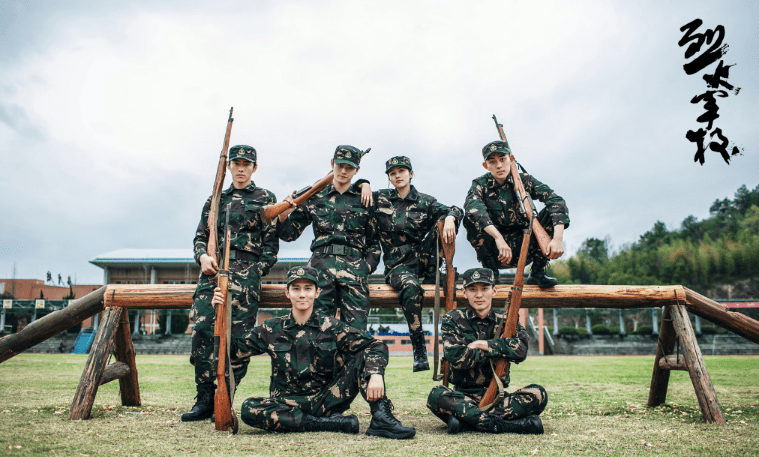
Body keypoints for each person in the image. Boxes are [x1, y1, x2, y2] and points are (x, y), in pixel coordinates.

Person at [228, 266, 415, 439]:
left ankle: (381, 418)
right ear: (287, 293)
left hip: (326, 400)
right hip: (286, 405)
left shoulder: (332, 327)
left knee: (362, 354)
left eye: (308, 288)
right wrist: (220, 311)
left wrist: (375, 374)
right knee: (248, 408)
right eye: (296, 289)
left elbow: (375, 345)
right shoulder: (270, 329)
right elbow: (233, 350)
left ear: (317, 293)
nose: (302, 295)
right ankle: (328, 425)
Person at [181, 145, 279, 422]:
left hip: (246, 277)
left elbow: (271, 245)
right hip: (212, 276)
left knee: (239, 341)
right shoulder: (215, 199)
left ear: (254, 168)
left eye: (246, 164)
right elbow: (200, 236)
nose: (240, 168)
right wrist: (202, 257)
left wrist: (256, 272)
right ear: (228, 166)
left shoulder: (265, 197)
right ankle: (203, 398)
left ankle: (225, 397)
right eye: (235, 163)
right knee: (201, 332)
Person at [361, 156, 462, 372]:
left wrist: (451, 218)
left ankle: (437, 267)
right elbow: (352, 191)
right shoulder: (380, 199)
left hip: (424, 259)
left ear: (411, 173)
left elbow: (455, 209)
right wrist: (364, 183)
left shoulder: (425, 201)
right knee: (411, 289)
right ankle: (418, 347)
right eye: (392, 172)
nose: (397, 175)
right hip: (398, 264)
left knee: (442, 221)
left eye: (401, 171)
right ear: (389, 177)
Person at [427, 268, 547, 434]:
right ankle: (505, 425)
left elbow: (521, 350)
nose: (479, 295)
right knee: (436, 395)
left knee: (538, 394)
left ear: (494, 290)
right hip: (463, 396)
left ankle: (466, 422)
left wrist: (484, 345)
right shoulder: (452, 318)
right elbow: (458, 357)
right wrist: (502, 348)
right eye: (472, 289)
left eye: (484, 288)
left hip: (499, 398)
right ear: (464, 293)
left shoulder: (506, 320)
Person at [277, 145, 380, 331]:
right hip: (321, 267)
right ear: (332, 163)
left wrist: (365, 268)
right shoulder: (315, 196)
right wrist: (283, 216)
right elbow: (289, 234)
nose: (343, 171)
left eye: (349, 167)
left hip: (354, 268)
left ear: (357, 170)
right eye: (340, 165)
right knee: (318, 329)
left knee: (356, 331)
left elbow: (374, 243)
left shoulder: (365, 199)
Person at [463, 140, 569, 287]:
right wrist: (498, 238)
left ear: (511, 160)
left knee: (550, 213)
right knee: (470, 218)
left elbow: (556, 201)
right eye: (492, 161)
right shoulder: (480, 184)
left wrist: (557, 239)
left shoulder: (525, 180)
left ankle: (538, 272)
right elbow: (472, 208)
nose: (499, 165)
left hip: (525, 246)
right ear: (485, 166)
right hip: (497, 252)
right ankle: (491, 273)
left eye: (502, 159)